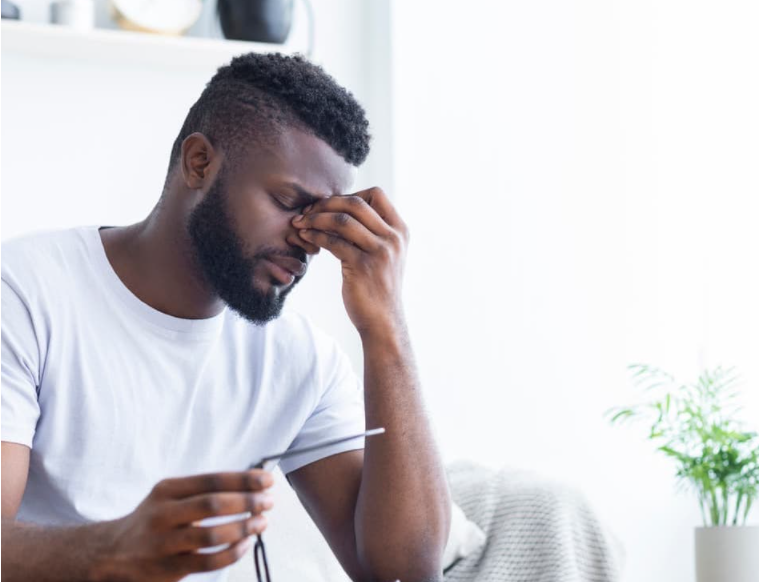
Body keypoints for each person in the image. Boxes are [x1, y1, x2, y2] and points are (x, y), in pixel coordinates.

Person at [1, 53, 450, 582]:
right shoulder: (26, 292)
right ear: (199, 163)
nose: (308, 238)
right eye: (288, 200)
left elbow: (406, 572)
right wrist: (112, 548)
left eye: (326, 217)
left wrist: (386, 328)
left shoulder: (301, 359)